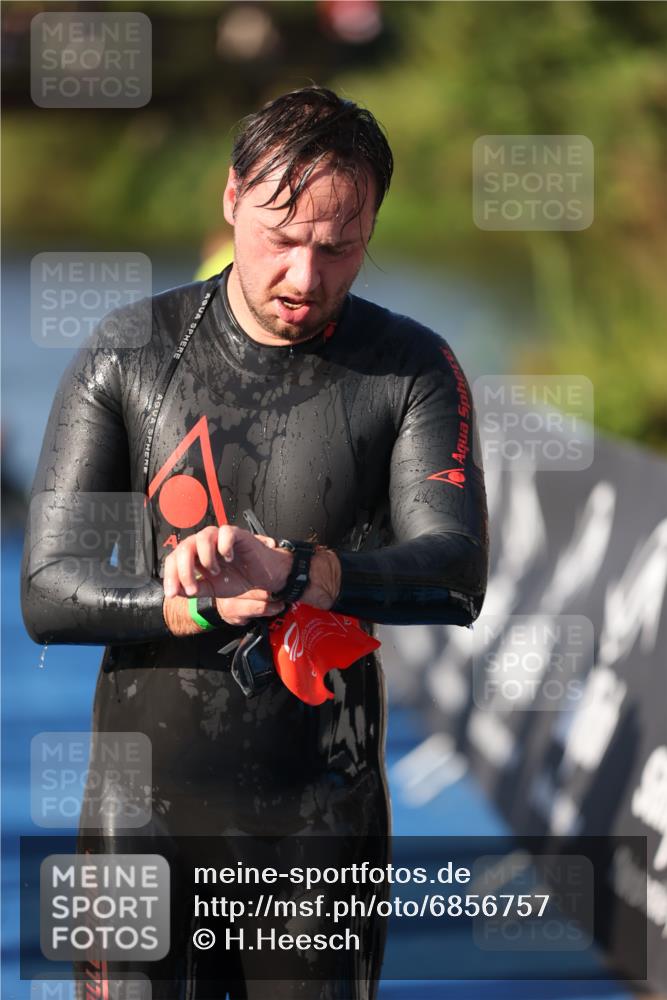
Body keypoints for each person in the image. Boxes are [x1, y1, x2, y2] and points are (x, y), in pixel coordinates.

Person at [21, 86, 488, 1000]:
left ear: (370, 232)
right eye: (281, 235)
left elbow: (456, 573)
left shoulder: (409, 370)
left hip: (319, 818)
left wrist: (308, 571)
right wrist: (177, 600)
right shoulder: (129, 354)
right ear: (231, 198)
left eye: (337, 247)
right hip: (135, 822)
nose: (304, 278)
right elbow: (45, 590)